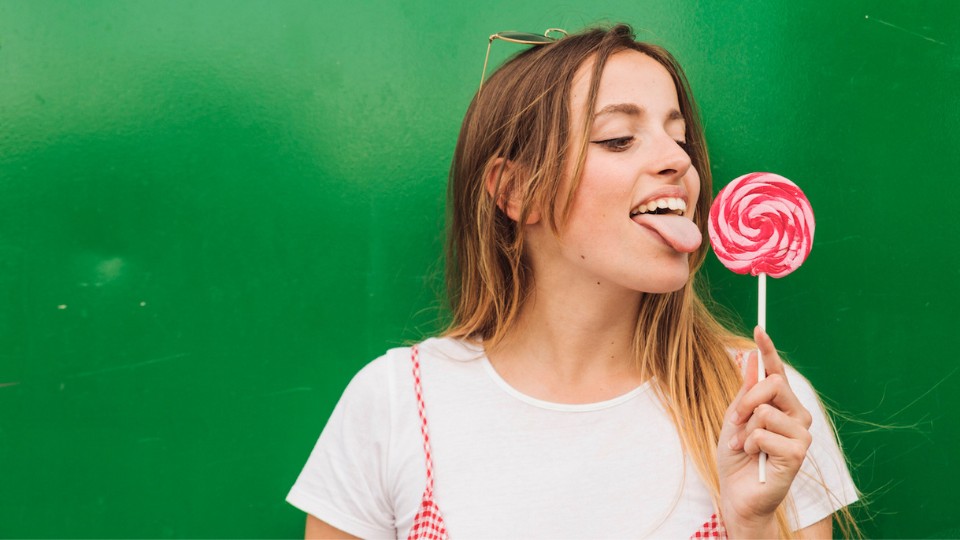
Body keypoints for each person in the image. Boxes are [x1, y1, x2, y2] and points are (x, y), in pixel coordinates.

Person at [287, 24, 859, 539]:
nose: (680, 162)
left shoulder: (763, 410)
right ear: (514, 191)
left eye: (679, 137)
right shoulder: (393, 403)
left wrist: (753, 525)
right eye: (617, 138)